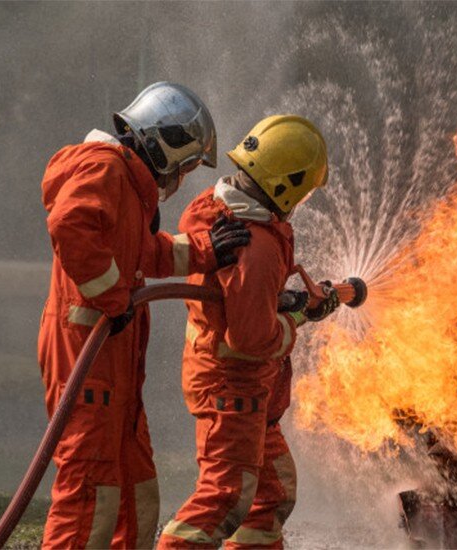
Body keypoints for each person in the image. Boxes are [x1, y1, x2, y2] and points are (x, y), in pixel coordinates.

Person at [38, 82, 251, 549]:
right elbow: (68, 225)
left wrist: (205, 253)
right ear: (165, 141)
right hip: (87, 354)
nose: (181, 177)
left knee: (134, 488)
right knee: (91, 492)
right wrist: (113, 297)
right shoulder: (105, 168)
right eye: (187, 163)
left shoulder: (125, 184)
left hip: (111, 358)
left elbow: (143, 252)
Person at [157, 115, 340, 549]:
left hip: (239, 388)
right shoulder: (256, 246)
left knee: (270, 492)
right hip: (232, 391)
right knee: (223, 500)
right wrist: (297, 319)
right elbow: (251, 339)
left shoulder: (216, 208)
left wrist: (282, 300)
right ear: (287, 184)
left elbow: (233, 295)